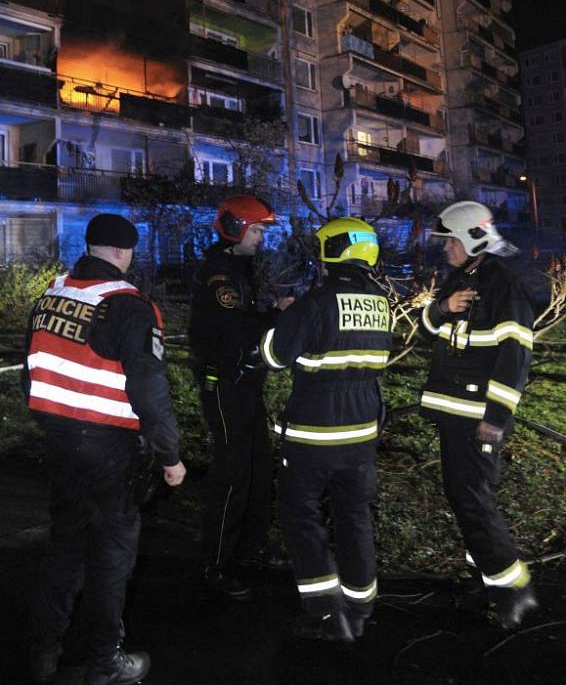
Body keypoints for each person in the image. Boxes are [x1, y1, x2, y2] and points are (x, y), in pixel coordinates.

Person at [22, 213, 186, 685]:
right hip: (109, 448)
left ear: (91, 247)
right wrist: (170, 457)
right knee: (112, 555)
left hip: (58, 441)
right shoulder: (130, 306)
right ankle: (103, 662)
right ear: (123, 252)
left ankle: (44, 651)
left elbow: (31, 370)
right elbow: (150, 390)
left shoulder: (52, 296)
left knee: (64, 545)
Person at [260, 217, 392, 641]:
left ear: (333, 251)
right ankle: (360, 606)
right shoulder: (381, 302)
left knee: (302, 518)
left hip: (313, 434)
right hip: (362, 435)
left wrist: (280, 319)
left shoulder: (316, 302)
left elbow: (275, 356)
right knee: (355, 518)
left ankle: (325, 613)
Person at [419, 201, 538, 629]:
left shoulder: (503, 285)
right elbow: (426, 327)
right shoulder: (462, 279)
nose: (445, 248)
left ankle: (514, 590)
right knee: (464, 497)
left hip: (477, 417)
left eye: (450, 240)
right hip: (455, 414)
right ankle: (485, 577)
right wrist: (442, 308)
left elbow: (515, 357)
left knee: (472, 500)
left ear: (471, 239)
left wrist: (497, 416)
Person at [189, 195, 293, 601]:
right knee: (233, 473)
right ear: (236, 228)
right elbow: (235, 329)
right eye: (258, 230)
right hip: (224, 384)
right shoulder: (220, 276)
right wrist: (278, 314)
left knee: (258, 465)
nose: (262, 237)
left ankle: (249, 550)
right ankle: (216, 565)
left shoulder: (237, 268)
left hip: (244, 382)